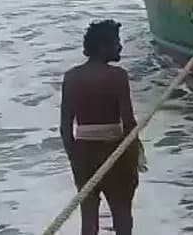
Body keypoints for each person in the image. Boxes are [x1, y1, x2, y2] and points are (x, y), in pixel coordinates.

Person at [60, 19, 142, 235]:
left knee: (88, 220)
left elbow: (65, 127)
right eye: (116, 42)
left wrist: (74, 158)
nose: (120, 47)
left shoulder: (71, 77)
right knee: (122, 215)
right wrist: (134, 156)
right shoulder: (118, 76)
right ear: (102, 46)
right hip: (113, 151)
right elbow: (129, 122)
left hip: (83, 153)